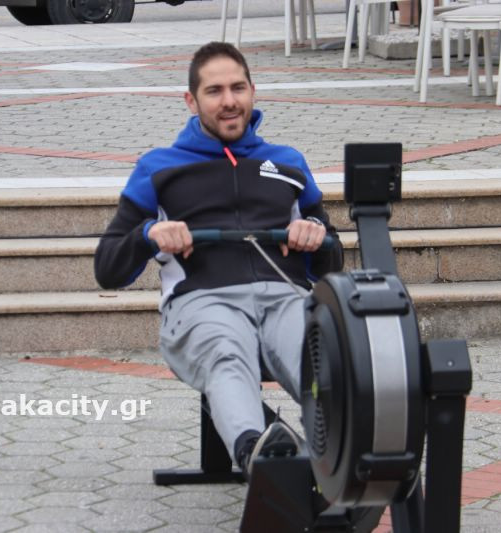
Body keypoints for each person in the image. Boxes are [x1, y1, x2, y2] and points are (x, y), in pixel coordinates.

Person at [94, 41, 343, 478]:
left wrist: (316, 237)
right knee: (226, 350)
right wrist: (149, 235)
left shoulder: (287, 162)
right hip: (202, 301)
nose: (229, 101)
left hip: (284, 299)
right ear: (191, 101)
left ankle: (341, 453)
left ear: (253, 92)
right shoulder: (159, 167)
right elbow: (108, 268)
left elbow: (332, 264)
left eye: (238, 88)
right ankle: (258, 455)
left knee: (316, 357)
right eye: (214, 91)